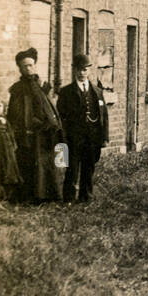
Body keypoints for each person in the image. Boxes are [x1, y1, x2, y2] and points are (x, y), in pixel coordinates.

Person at [6, 47, 65, 203]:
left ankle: (49, 194)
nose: (28, 68)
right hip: (29, 132)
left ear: (35, 65)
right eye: (24, 66)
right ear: (20, 68)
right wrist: (31, 123)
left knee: (47, 162)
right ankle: (32, 197)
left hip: (45, 132)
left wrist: (49, 123)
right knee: (30, 162)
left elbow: (47, 106)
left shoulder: (41, 85)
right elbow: (17, 112)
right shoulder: (18, 89)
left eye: (31, 65)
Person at [56, 53, 109, 204]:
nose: (82, 73)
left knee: (89, 167)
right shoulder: (66, 92)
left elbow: (104, 116)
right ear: (74, 70)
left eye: (85, 69)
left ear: (89, 70)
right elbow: (61, 117)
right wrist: (63, 138)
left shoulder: (97, 92)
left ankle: (86, 197)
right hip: (74, 137)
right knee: (72, 168)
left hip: (91, 137)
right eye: (79, 69)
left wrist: (104, 137)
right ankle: (69, 198)